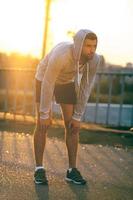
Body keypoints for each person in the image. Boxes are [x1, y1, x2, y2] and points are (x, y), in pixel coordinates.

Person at [34, 29, 101, 185]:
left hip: (66, 82)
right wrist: (44, 114)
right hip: (44, 79)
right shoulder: (62, 55)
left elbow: (86, 86)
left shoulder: (94, 59)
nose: (92, 50)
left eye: (94, 46)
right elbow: (48, 83)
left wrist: (78, 116)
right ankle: (39, 169)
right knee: (42, 124)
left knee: (72, 126)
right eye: (88, 46)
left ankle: (71, 171)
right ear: (78, 45)